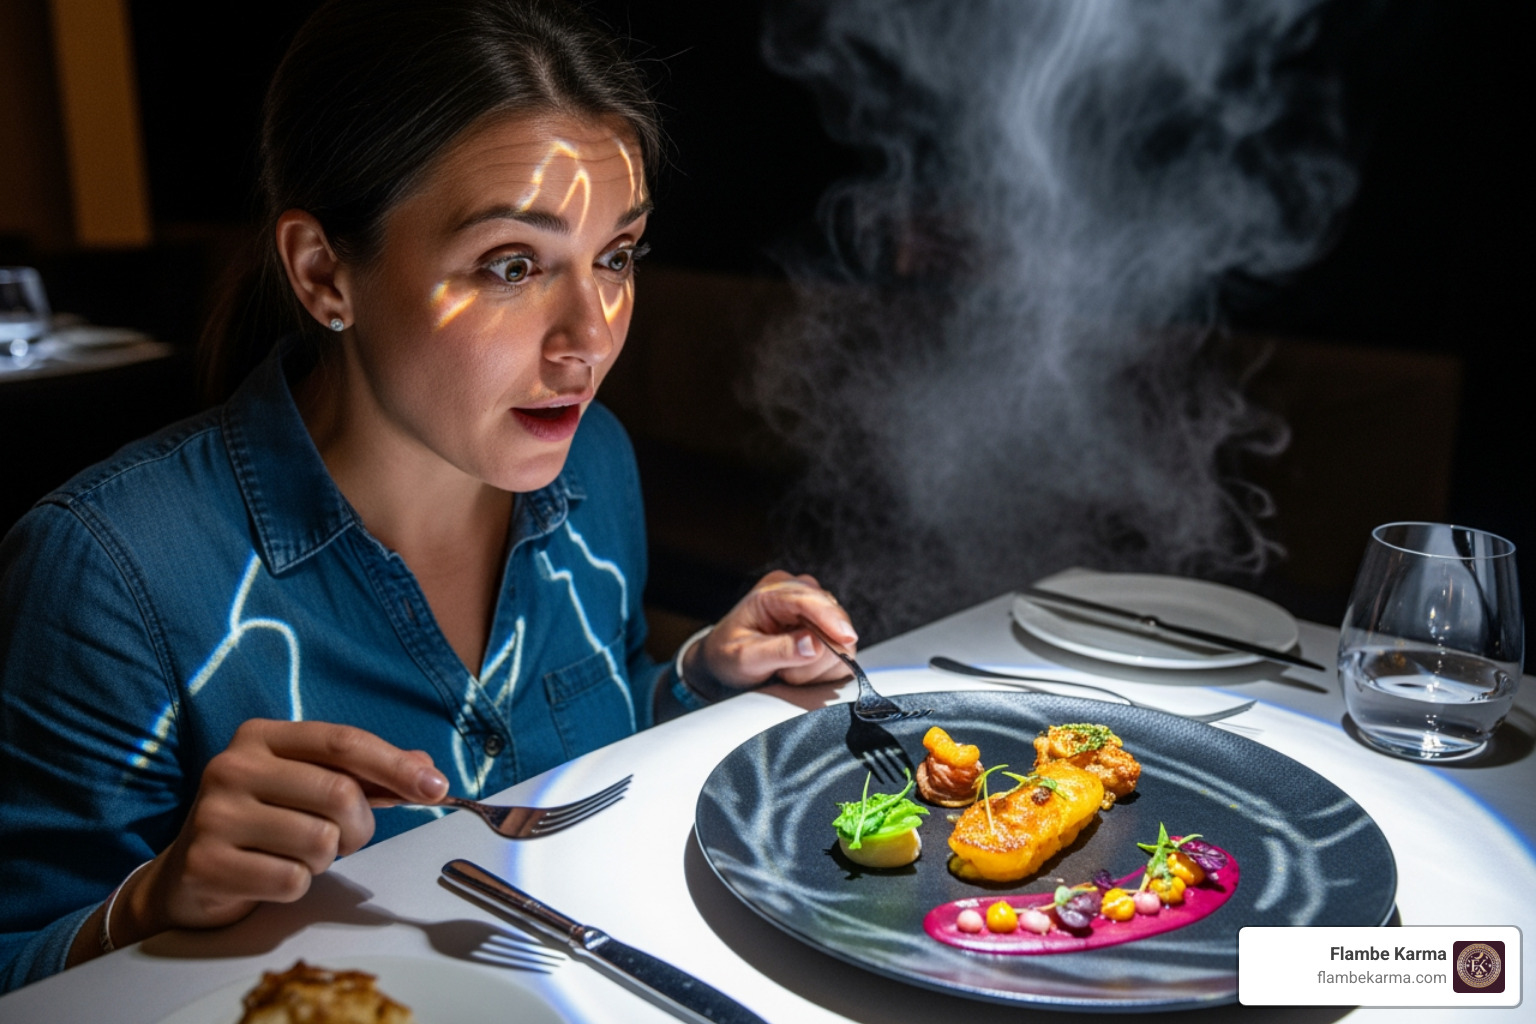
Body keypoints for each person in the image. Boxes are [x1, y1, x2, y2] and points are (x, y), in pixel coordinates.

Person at [0, 0, 857, 993]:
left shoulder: (594, 468)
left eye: (616, 256)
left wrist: (698, 681)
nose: (589, 336)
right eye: (511, 265)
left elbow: (576, 750)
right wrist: (146, 906)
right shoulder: (109, 573)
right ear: (325, 274)